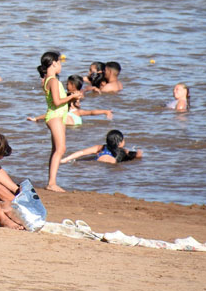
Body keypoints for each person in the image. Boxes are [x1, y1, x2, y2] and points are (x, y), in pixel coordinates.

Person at [37, 51, 83, 192]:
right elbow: (57, 102)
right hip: (55, 116)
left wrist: (71, 96)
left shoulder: (47, 79)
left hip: (56, 116)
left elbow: (55, 99)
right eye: (60, 62)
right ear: (54, 63)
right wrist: (72, 97)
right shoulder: (53, 81)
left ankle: (51, 181)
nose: (61, 65)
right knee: (60, 149)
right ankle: (51, 183)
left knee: (56, 150)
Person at [26, 76, 112, 126]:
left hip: (69, 120)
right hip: (76, 122)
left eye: (68, 84)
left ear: (73, 85)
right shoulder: (77, 111)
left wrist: (36, 118)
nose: (66, 85)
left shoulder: (69, 102)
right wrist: (105, 111)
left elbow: (49, 114)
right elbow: (91, 112)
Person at [61, 129, 142, 164]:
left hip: (98, 160)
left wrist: (65, 159)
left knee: (81, 160)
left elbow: (82, 152)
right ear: (120, 143)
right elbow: (138, 155)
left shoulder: (101, 147)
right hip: (110, 164)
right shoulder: (123, 151)